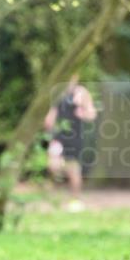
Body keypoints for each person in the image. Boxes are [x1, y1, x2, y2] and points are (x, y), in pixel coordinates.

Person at [44, 74, 96, 209]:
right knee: (52, 165)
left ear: (76, 78)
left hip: (74, 137)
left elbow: (91, 114)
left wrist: (83, 111)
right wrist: (49, 128)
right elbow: (50, 118)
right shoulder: (58, 93)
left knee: (73, 168)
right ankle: (54, 196)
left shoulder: (81, 92)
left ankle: (75, 200)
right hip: (58, 137)